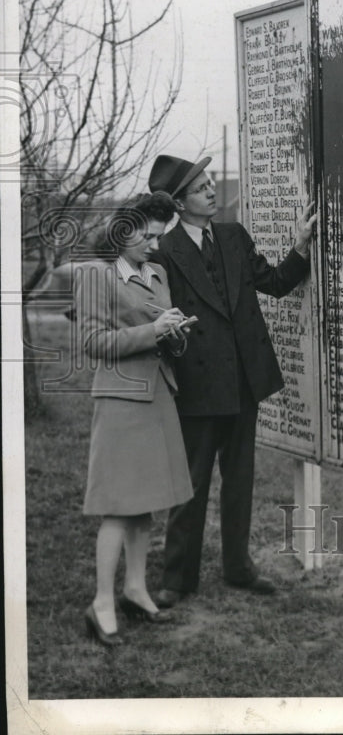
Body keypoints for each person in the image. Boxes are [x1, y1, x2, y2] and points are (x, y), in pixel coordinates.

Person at [147, 154, 316, 606]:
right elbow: (157, 322)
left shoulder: (232, 235)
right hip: (197, 388)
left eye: (210, 182)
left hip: (243, 381)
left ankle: (238, 567)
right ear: (180, 204)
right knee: (192, 483)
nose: (211, 190)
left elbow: (275, 282)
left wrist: (301, 247)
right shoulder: (163, 254)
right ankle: (177, 578)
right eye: (200, 187)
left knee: (239, 478)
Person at [75, 191, 194, 646]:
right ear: (123, 231)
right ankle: (101, 603)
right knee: (117, 510)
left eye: (159, 237)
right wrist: (153, 331)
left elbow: (163, 336)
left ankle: (135, 589)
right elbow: (93, 342)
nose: (153, 245)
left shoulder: (157, 272)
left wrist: (175, 332)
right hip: (122, 401)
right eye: (146, 236)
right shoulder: (96, 278)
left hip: (158, 394)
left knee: (145, 505)